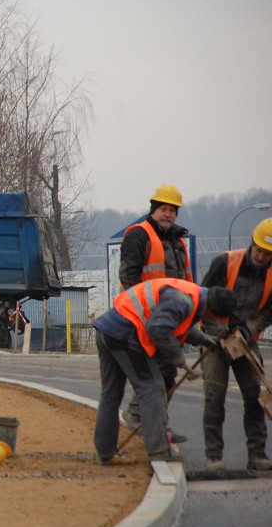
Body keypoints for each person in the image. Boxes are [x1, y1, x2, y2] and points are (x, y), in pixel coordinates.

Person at [93, 278, 237, 464]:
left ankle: (104, 453)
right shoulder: (183, 301)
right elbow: (158, 328)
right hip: (125, 333)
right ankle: (159, 452)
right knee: (152, 388)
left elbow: (176, 323)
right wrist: (179, 358)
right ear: (211, 310)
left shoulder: (190, 295)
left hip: (107, 329)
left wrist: (203, 339)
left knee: (110, 394)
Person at [120, 184, 193, 442]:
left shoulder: (177, 242)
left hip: (170, 319)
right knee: (154, 375)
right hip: (144, 318)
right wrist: (144, 315)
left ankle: (156, 424)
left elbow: (187, 281)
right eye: (163, 209)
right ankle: (143, 420)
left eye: (173, 210)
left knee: (166, 374)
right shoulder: (139, 235)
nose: (169, 214)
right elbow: (129, 278)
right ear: (153, 210)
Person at [199, 219, 272, 471]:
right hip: (215, 337)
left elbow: (269, 312)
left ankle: (257, 454)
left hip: (247, 340)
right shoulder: (225, 262)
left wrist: (248, 330)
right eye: (258, 250)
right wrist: (218, 332)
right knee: (214, 396)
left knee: (255, 397)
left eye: (267, 254)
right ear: (252, 243)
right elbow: (202, 299)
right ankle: (213, 456)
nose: (261, 257)